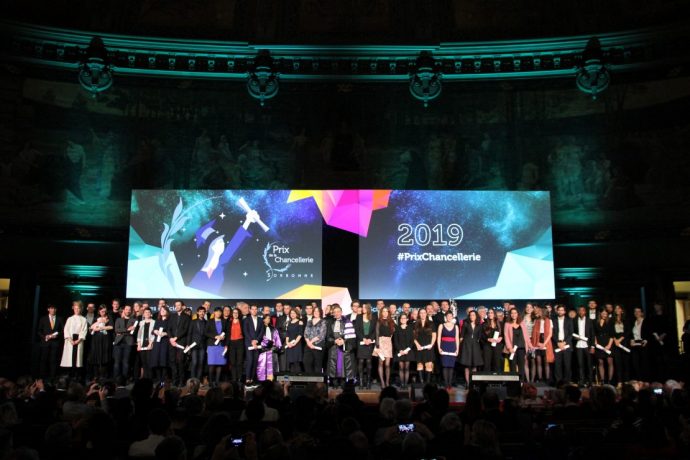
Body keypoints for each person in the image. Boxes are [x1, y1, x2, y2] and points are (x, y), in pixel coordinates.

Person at [326, 304, 356, 387]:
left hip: (344, 346)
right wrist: (334, 341)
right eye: (335, 312)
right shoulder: (330, 322)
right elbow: (328, 336)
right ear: (333, 313)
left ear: (341, 312)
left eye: (338, 311)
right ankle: (334, 382)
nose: (337, 313)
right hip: (333, 346)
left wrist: (344, 341)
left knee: (343, 364)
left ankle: (343, 381)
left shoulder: (347, 322)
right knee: (333, 364)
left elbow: (351, 336)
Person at [504, 308, 532, 381]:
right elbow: (506, 336)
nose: (513, 314)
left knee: (521, 367)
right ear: (510, 314)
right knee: (512, 366)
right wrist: (510, 348)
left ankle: (521, 383)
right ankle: (514, 383)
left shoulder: (522, 323)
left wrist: (530, 346)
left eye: (515, 313)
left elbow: (526, 336)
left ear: (517, 314)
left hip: (521, 348)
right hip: (512, 350)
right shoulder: (507, 324)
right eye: (512, 313)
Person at [37, 304, 63, 381]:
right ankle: (42, 377)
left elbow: (63, 330)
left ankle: (52, 378)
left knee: (53, 360)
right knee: (43, 360)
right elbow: (39, 331)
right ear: (48, 309)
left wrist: (57, 336)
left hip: (55, 343)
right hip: (45, 343)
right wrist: (45, 336)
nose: (53, 310)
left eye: (54, 308)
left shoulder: (59, 319)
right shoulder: (43, 319)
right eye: (51, 308)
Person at [169, 301, 192, 387]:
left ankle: (182, 381)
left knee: (180, 362)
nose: (177, 306)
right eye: (176, 305)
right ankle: (175, 380)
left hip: (181, 342)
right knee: (173, 361)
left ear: (182, 306)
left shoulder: (187, 317)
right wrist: (171, 338)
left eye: (179, 305)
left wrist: (176, 337)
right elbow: (169, 328)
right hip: (172, 342)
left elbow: (185, 330)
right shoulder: (172, 316)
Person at [89, 304, 114, 379]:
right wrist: (99, 321)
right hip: (96, 340)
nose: (103, 312)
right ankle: (96, 375)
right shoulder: (96, 318)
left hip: (105, 340)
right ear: (99, 311)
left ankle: (104, 375)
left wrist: (102, 327)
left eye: (104, 311)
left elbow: (111, 327)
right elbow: (91, 328)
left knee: (105, 356)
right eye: (101, 311)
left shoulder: (109, 317)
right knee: (96, 356)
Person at [355, 303, 376, 389]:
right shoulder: (358, 317)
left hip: (370, 342)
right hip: (361, 342)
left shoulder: (373, 317)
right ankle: (360, 381)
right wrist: (363, 338)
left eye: (364, 307)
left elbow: (375, 330)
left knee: (368, 362)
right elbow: (357, 329)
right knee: (360, 362)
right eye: (362, 307)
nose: (362, 308)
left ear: (368, 308)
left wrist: (370, 339)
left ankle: (368, 382)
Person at [530, 306, 554, 384]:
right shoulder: (536, 321)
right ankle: (539, 378)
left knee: (546, 361)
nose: (538, 313)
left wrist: (544, 344)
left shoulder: (549, 321)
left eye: (540, 311)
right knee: (538, 361)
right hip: (537, 340)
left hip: (545, 340)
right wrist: (537, 343)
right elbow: (533, 333)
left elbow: (550, 334)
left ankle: (547, 378)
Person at [113, 304, 136, 382]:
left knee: (126, 362)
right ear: (124, 310)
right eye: (126, 309)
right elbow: (116, 330)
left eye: (129, 309)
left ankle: (124, 379)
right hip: (118, 343)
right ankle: (116, 379)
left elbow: (133, 332)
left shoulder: (134, 321)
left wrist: (122, 332)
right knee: (117, 362)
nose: (128, 311)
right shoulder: (118, 319)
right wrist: (127, 330)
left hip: (128, 343)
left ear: (131, 311)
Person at [414, 308, 437, 384]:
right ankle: (421, 383)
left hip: (429, 347)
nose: (422, 314)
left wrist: (432, 344)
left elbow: (434, 335)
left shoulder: (431, 323)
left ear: (426, 314)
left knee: (429, 365)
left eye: (424, 313)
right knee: (419, 365)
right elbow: (413, 336)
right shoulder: (415, 324)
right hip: (419, 347)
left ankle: (427, 384)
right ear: (419, 314)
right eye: (421, 313)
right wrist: (417, 345)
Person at [552, 304, 574, 383]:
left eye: (562, 310)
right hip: (557, 344)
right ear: (557, 311)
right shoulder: (553, 320)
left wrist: (565, 342)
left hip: (566, 345)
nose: (560, 311)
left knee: (567, 364)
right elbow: (552, 333)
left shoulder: (569, 320)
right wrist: (557, 342)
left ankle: (567, 382)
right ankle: (558, 382)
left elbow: (571, 333)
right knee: (557, 365)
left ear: (564, 311)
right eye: (559, 310)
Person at [205, 307, 228, 386]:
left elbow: (227, 333)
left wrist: (224, 338)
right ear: (214, 312)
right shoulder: (209, 321)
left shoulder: (224, 321)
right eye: (217, 312)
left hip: (221, 345)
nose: (218, 313)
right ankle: (211, 382)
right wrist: (215, 336)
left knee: (219, 364)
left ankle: (217, 382)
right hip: (212, 345)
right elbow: (206, 332)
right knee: (211, 364)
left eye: (220, 312)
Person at [460, 310, 483, 386]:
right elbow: (462, 336)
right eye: (470, 315)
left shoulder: (479, 325)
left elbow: (479, 337)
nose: (472, 316)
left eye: (473, 315)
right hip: (466, 345)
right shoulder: (466, 324)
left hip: (475, 346)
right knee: (467, 365)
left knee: (474, 365)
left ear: (476, 316)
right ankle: (467, 383)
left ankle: (473, 383)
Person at [150, 306, 172, 384]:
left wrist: (165, 333)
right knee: (156, 360)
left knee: (164, 360)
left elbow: (171, 331)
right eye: (161, 310)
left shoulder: (170, 320)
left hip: (165, 342)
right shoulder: (157, 320)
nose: (162, 311)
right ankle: (159, 379)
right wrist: (154, 331)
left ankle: (163, 379)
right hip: (157, 342)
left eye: (164, 310)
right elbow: (153, 330)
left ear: (167, 311)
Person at [243, 304, 264, 386]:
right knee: (250, 360)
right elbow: (245, 331)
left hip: (257, 344)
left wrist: (257, 340)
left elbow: (262, 332)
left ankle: (252, 379)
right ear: (250, 310)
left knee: (255, 361)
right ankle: (247, 379)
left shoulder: (260, 319)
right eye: (253, 309)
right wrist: (252, 341)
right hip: (249, 343)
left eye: (256, 309)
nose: (254, 311)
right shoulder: (246, 320)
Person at [438, 311, 460, 389]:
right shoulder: (441, 325)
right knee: (445, 366)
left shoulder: (456, 326)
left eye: (451, 316)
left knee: (451, 366)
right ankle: (446, 383)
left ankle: (449, 383)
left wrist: (457, 349)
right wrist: (439, 347)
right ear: (445, 317)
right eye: (448, 316)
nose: (449, 317)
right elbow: (439, 338)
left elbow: (457, 338)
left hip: (452, 346)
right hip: (444, 346)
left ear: (452, 317)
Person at [574, 306, 595, 386]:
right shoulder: (575, 320)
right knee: (580, 364)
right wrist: (575, 337)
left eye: (583, 310)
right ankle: (581, 381)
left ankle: (590, 381)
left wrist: (592, 346)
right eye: (579, 310)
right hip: (579, 345)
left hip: (588, 345)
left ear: (585, 312)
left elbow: (592, 334)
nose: (581, 312)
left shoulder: (589, 321)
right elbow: (573, 332)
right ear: (578, 312)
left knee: (589, 364)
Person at [256, 314, 282, 381]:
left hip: (272, 351)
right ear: (263, 319)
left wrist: (276, 347)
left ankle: (273, 383)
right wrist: (265, 344)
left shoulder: (273, 329)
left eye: (269, 318)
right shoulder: (260, 328)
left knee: (273, 368)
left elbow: (277, 339)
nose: (268, 320)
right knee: (263, 368)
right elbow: (259, 339)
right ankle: (262, 382)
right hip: (263, 351)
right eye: (266, 318)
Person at [303, 306, 327, 375]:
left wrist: (311, 342)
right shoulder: (309, 322)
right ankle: (310, 382)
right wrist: (308, 342)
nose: (316, 312)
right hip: (308, 345)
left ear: (320, 313)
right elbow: (306, 333)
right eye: (315, 311)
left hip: (318, 345)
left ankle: (317, 383)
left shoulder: (323, 322)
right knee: (306, 362)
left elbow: (322, 335)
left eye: (318, 311)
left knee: (317, 364)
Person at [375, 307, 395, 388]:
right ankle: (382, 382)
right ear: (381, 312)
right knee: (381, 363)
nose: (385, 312)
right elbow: (377, 333)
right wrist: (377, 346)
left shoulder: (391, 322)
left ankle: (387, 382)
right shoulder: (379, 321)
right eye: (384, 311)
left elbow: (392, 333)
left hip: (388, 343)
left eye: (387, 311)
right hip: (380, 343)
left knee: (387, 364)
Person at [394, 312, 415, 389]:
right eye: (401, 318)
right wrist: (400, 350)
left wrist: (407, 350)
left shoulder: (410, 328)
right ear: (400, 320)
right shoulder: (397, 328)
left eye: (404, 318)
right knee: (401, 368)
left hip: (408, 351)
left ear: (407, 319)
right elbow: (395, 341)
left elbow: (412, 341)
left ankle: (406, 384)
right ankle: (402, 384)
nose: (403, 319)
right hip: (400, 351)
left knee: (406, 368)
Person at [594, 309, 615, 384]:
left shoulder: (610, 322)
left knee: (610, 361)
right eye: (603, 313)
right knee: (600, 362)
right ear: (600, 314)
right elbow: (594, 333)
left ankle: (610, 380)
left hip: (608, 342)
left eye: (606, 314)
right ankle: (602, 380)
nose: (604, 315)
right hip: (599, 343)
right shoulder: (596, 322)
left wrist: (609, 345)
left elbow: (612, 334)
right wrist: (595, 342)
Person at [612, 304, 631, 384]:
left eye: (618, 308)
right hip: (615, 342)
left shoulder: (626, 320)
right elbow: (610, 331)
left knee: (625, 362)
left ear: (622, 310)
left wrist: (620, 339)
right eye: (616, 308)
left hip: (624, 341)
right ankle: (619, 381)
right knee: (618, 362)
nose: (617, 309)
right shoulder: (612, 320)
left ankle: (626, 381)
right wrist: (615, 340)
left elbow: (628, 331)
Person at [630, 306, 650, 381]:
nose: (637, 313)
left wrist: (646, 340)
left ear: (642, 313)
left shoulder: (645, 321)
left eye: (638, 311)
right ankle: (638, 379)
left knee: (644, 363)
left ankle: (645, 380)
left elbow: (648, 332)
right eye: (635, 311)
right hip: (635, 344)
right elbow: (631, 333)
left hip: (642, 343)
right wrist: (631, 340)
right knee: (635, 364)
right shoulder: (633, 322)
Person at [481, 308, 503, 374]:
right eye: (489, 313)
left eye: (492, 312)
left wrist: (501, 338)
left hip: (497, 346)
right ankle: (486, 381)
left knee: (497, 363)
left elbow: (503, 334)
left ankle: (497, 381)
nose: (490, 314)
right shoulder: (484, 324)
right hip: (487, 346)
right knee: (487, 363)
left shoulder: (500, 324)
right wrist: (488, 339)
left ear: (494, 314)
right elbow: (481, 336)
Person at [136, 307, 156, 379]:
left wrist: (151, 343)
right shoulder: (141, 322)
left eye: (148, 312)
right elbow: (139, 333)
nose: (147, 314)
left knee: (149, 362)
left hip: (150, 344)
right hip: (142, 344)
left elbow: (154, 334)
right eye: (145, 313)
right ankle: (145, 377)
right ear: (143, 314)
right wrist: (138, 344)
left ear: (151, 314)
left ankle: (150, 378)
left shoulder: (154, 322)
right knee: (144, 362)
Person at [188, 306, 207, 380]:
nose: (202, 313)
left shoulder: (206, 322)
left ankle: (198, 380)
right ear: (197, 312)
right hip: (194, 345)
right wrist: (188, 344)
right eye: (200, 311)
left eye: (203, 311)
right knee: (194, 362)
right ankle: (192, 380)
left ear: (205, 313)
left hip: (202, 345)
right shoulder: (193, 321)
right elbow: (189, 333)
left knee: (201, 363)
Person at [227, 308, 244, 382]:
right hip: (231, 343)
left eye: (237, 313)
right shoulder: (229, 322)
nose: (235, 314)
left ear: (239, 314)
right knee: (233, 362)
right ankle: (234, 379)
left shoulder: (242, 322)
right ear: (232, 314)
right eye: (234, 313)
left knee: (239, 362)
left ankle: (239, 379)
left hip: (240, 342)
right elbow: (227, 334)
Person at [285, 309, 304, 374]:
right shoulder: (288, 323)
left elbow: (300, 334)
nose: (292, 314)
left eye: (294, 313)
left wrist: (295, 343)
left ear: (297, 314)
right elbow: (287, 334)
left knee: (296, 361)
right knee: (291, 361)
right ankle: (291, 381)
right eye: (291, 313)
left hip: (297, 344)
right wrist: (287, 342)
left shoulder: (300, 322)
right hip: (289, 344)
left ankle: (298, 380)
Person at [523, 303, 535, 382]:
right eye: (527, 307)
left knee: (533, 360)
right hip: (524, 341)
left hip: (533, 341)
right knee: (525, 360)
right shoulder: (522, 318)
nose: (528, 308)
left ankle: (533, 380)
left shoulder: (536, 318)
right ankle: (527, 380)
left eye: (530, 307)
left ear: (533, 308)